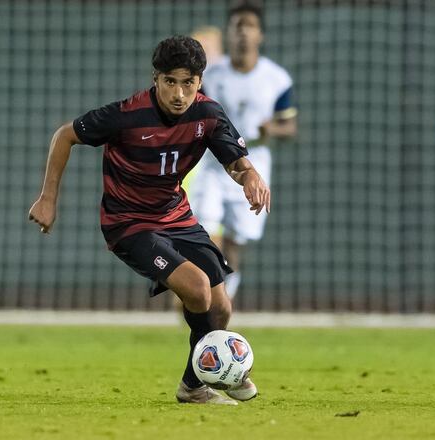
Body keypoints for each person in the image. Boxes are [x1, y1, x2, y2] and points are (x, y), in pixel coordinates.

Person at [29, 36, 270, 404]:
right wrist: (48, 199)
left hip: (177, 217)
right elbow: (65, 136)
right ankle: (213, 372)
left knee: (222, 307)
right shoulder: (126, 115)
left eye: (188, 82)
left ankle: (194, 384)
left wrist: (249, 175)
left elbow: (235, 162)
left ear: (199, 82)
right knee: (197, 288)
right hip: (129, 223)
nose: (179, 92)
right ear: (155, 78)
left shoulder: (208, 115)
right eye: (170, 81)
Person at [187, 3, 296, 300]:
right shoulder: (210, 75)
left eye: (249, 27)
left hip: (254, 167)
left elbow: (290, 127)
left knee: (237, 242)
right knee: (206, 233)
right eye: (237, 26)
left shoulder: (277, 80)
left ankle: (224, 300)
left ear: (260, 35)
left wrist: (271, 130)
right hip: (214, 164)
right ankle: (207, 298)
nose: (243, 33)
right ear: (229, 33)